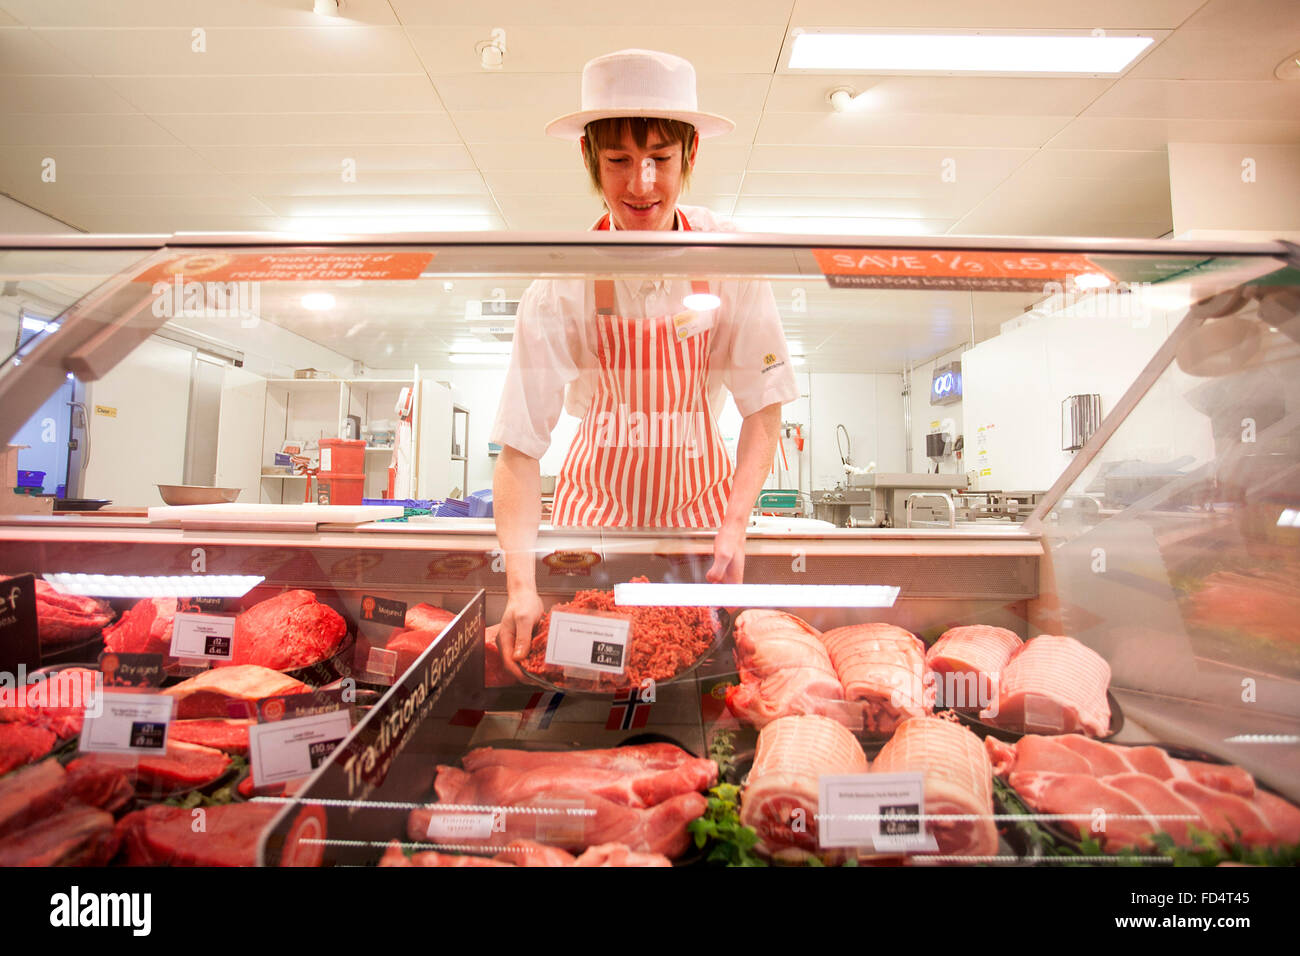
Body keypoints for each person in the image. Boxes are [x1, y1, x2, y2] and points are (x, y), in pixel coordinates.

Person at [489, 49, 799, 679]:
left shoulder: (728, 258)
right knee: (588, 688)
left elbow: (764, 408)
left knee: (698, 686)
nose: (642, 185)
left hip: (701, 527)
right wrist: (521, 584)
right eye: (619, 161)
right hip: (590, 528)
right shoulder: (562, 284)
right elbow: (519, 449)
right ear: (587, 158)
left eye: (660, 158)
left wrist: (735, 528)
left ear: (690, 155)